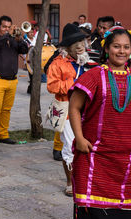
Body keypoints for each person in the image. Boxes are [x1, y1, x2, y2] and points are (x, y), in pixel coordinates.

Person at [68, 26, 131, 219]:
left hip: (128, 149)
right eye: (117, 46)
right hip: (95, 148)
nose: (122, 51)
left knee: (125, 190)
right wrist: (79, 137)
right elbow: (74, 107)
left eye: (126, 47)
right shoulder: (94, 75)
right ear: (107, 49)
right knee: (92, 190)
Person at [47, 23, 88, 196]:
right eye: (75, 44)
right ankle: (70, 181)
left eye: (81, 42)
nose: (80, 47)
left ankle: (85, 177)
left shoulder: (88, 61)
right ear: (67, 46)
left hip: (87, 109)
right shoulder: (57, 63)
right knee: (71, 146)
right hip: (68, 110)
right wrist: (75, 84)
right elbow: (52, 85)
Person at [0, 15, 28, 146]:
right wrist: (7, 35)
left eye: (9, 27)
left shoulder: (14, 39)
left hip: (12, 80)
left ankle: (3, 134)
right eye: (4, 27)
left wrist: (19, 39)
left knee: (6, 109)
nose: (7, 29)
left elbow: (24, 50)